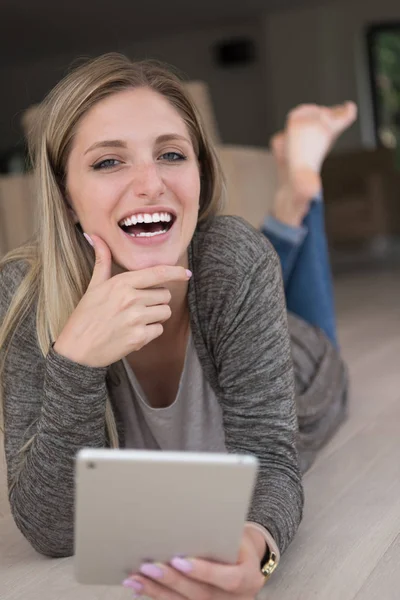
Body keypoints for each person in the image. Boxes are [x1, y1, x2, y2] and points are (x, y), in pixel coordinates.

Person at [0, 53, 349, 599]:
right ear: (66, 195)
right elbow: (52, 528)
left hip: (303, 363)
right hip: (227, 278)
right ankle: (292, 196)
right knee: (245, 262)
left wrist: (254, 549)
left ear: (200, 175)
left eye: (171, 154)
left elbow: (275, 460)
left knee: (303, 317)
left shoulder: (232, 261)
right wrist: (75, 364)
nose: (150, 183)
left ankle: (300, 190)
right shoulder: (26, 298)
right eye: (108, 162)